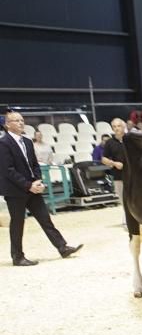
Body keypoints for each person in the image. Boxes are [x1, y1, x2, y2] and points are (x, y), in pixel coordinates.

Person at [1, 111, 83, 266]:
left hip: (33, 188)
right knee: (17, 224)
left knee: (45, 219)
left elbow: (34, 165)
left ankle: (62, 247)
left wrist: (38, 181)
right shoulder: (3, 143)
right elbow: (8, 170)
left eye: (22, 120)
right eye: (16, 120)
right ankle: (17, 257)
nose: (20, 122)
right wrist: (28, 185)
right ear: (7, 124)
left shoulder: (27, 141)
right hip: (15, 191)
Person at [101, 118, 128, 210]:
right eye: (114, 126)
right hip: (118, 175)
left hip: (132, 175)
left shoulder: (130, 139)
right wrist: (114, 163)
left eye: (119, 126)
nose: (117, 128)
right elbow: (104, 159)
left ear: (123, 127)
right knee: (122, 198)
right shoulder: (109, 142)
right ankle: (126, 218)